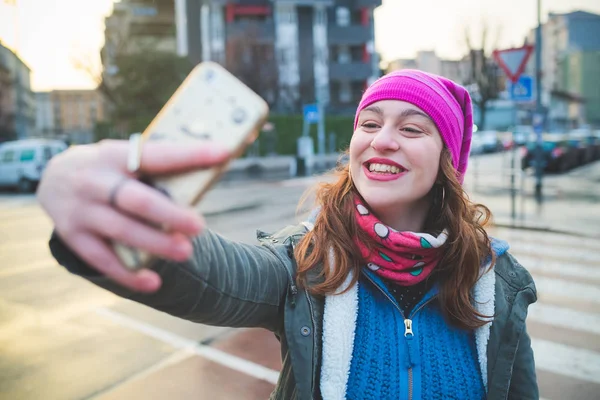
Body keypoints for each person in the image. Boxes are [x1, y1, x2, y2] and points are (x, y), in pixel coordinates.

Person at [38, 70, 538, 400]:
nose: (382, 139)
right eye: (369, 122)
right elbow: (215, 275)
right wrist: (117, 216)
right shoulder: (306, 262)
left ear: (448, 163)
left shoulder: (496, 281)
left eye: (412, 129)